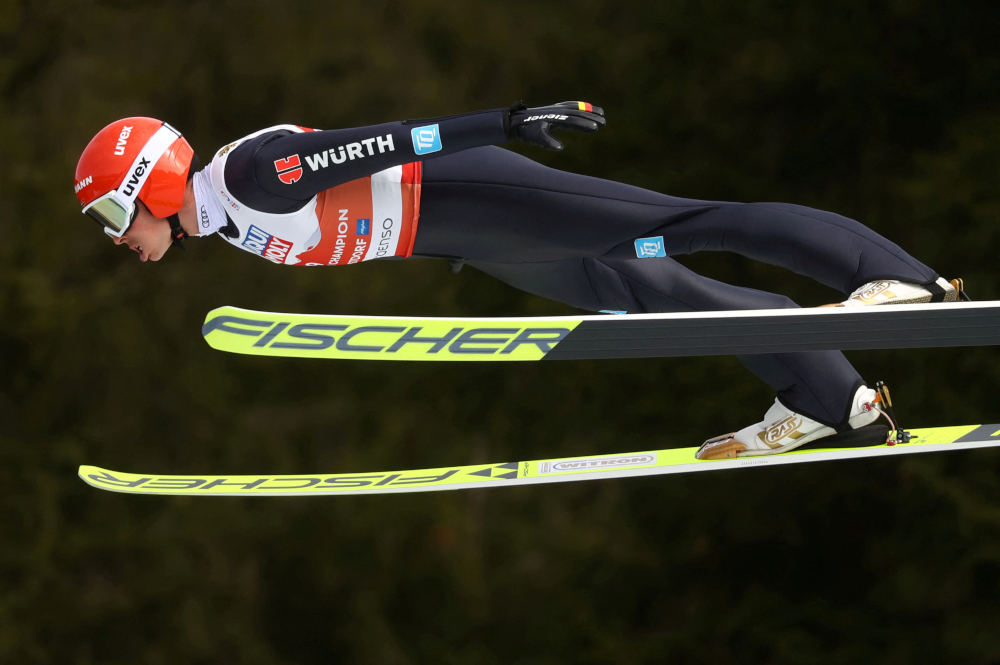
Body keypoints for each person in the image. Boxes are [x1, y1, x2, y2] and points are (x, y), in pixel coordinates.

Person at [72, 102, 963, 460]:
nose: (121, 238)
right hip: (478, 242)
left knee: (686, 223)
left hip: (479, 193)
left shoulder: (253, 176)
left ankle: (897, 277)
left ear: (150, 183)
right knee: (648, 295)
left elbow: (390, 142)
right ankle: (823, 395)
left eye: (116, 215)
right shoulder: (223, 218)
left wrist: (503, 121)